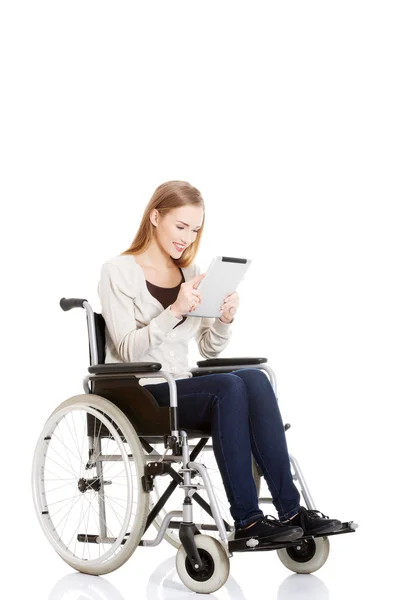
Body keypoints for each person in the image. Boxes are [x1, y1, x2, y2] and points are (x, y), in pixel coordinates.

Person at [98, 180, 342, 543]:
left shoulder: (192, 273)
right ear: (155, 217)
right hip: (142, 393)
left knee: (255, 378)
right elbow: (128, 349)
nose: (187, 237)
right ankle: (246, 521)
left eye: (194, 229)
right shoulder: (117, 271)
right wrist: (175, 309)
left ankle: (291, 512)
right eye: (180, 226)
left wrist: (225, 319)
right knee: (228, 385)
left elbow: (209, 349)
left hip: (181, 387)